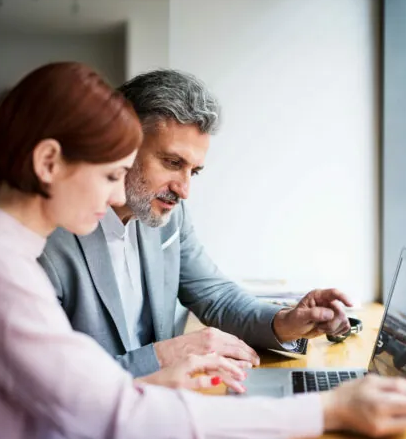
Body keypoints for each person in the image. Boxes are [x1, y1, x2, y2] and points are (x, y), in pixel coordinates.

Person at [0, 62, 406, 439]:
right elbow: (111, 412)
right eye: (111, 175)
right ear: (49, 162)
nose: (113, 197)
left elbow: (83, 395)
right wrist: (328, 409)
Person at [39, 68, 353, 379]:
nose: (184, 190)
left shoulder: (167, 215)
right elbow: (53, 380)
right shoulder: (44, 243)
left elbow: (216, 296)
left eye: (194, 171)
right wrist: (166, 355)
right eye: (172, 163)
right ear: (121, 144)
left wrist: (284, 322)